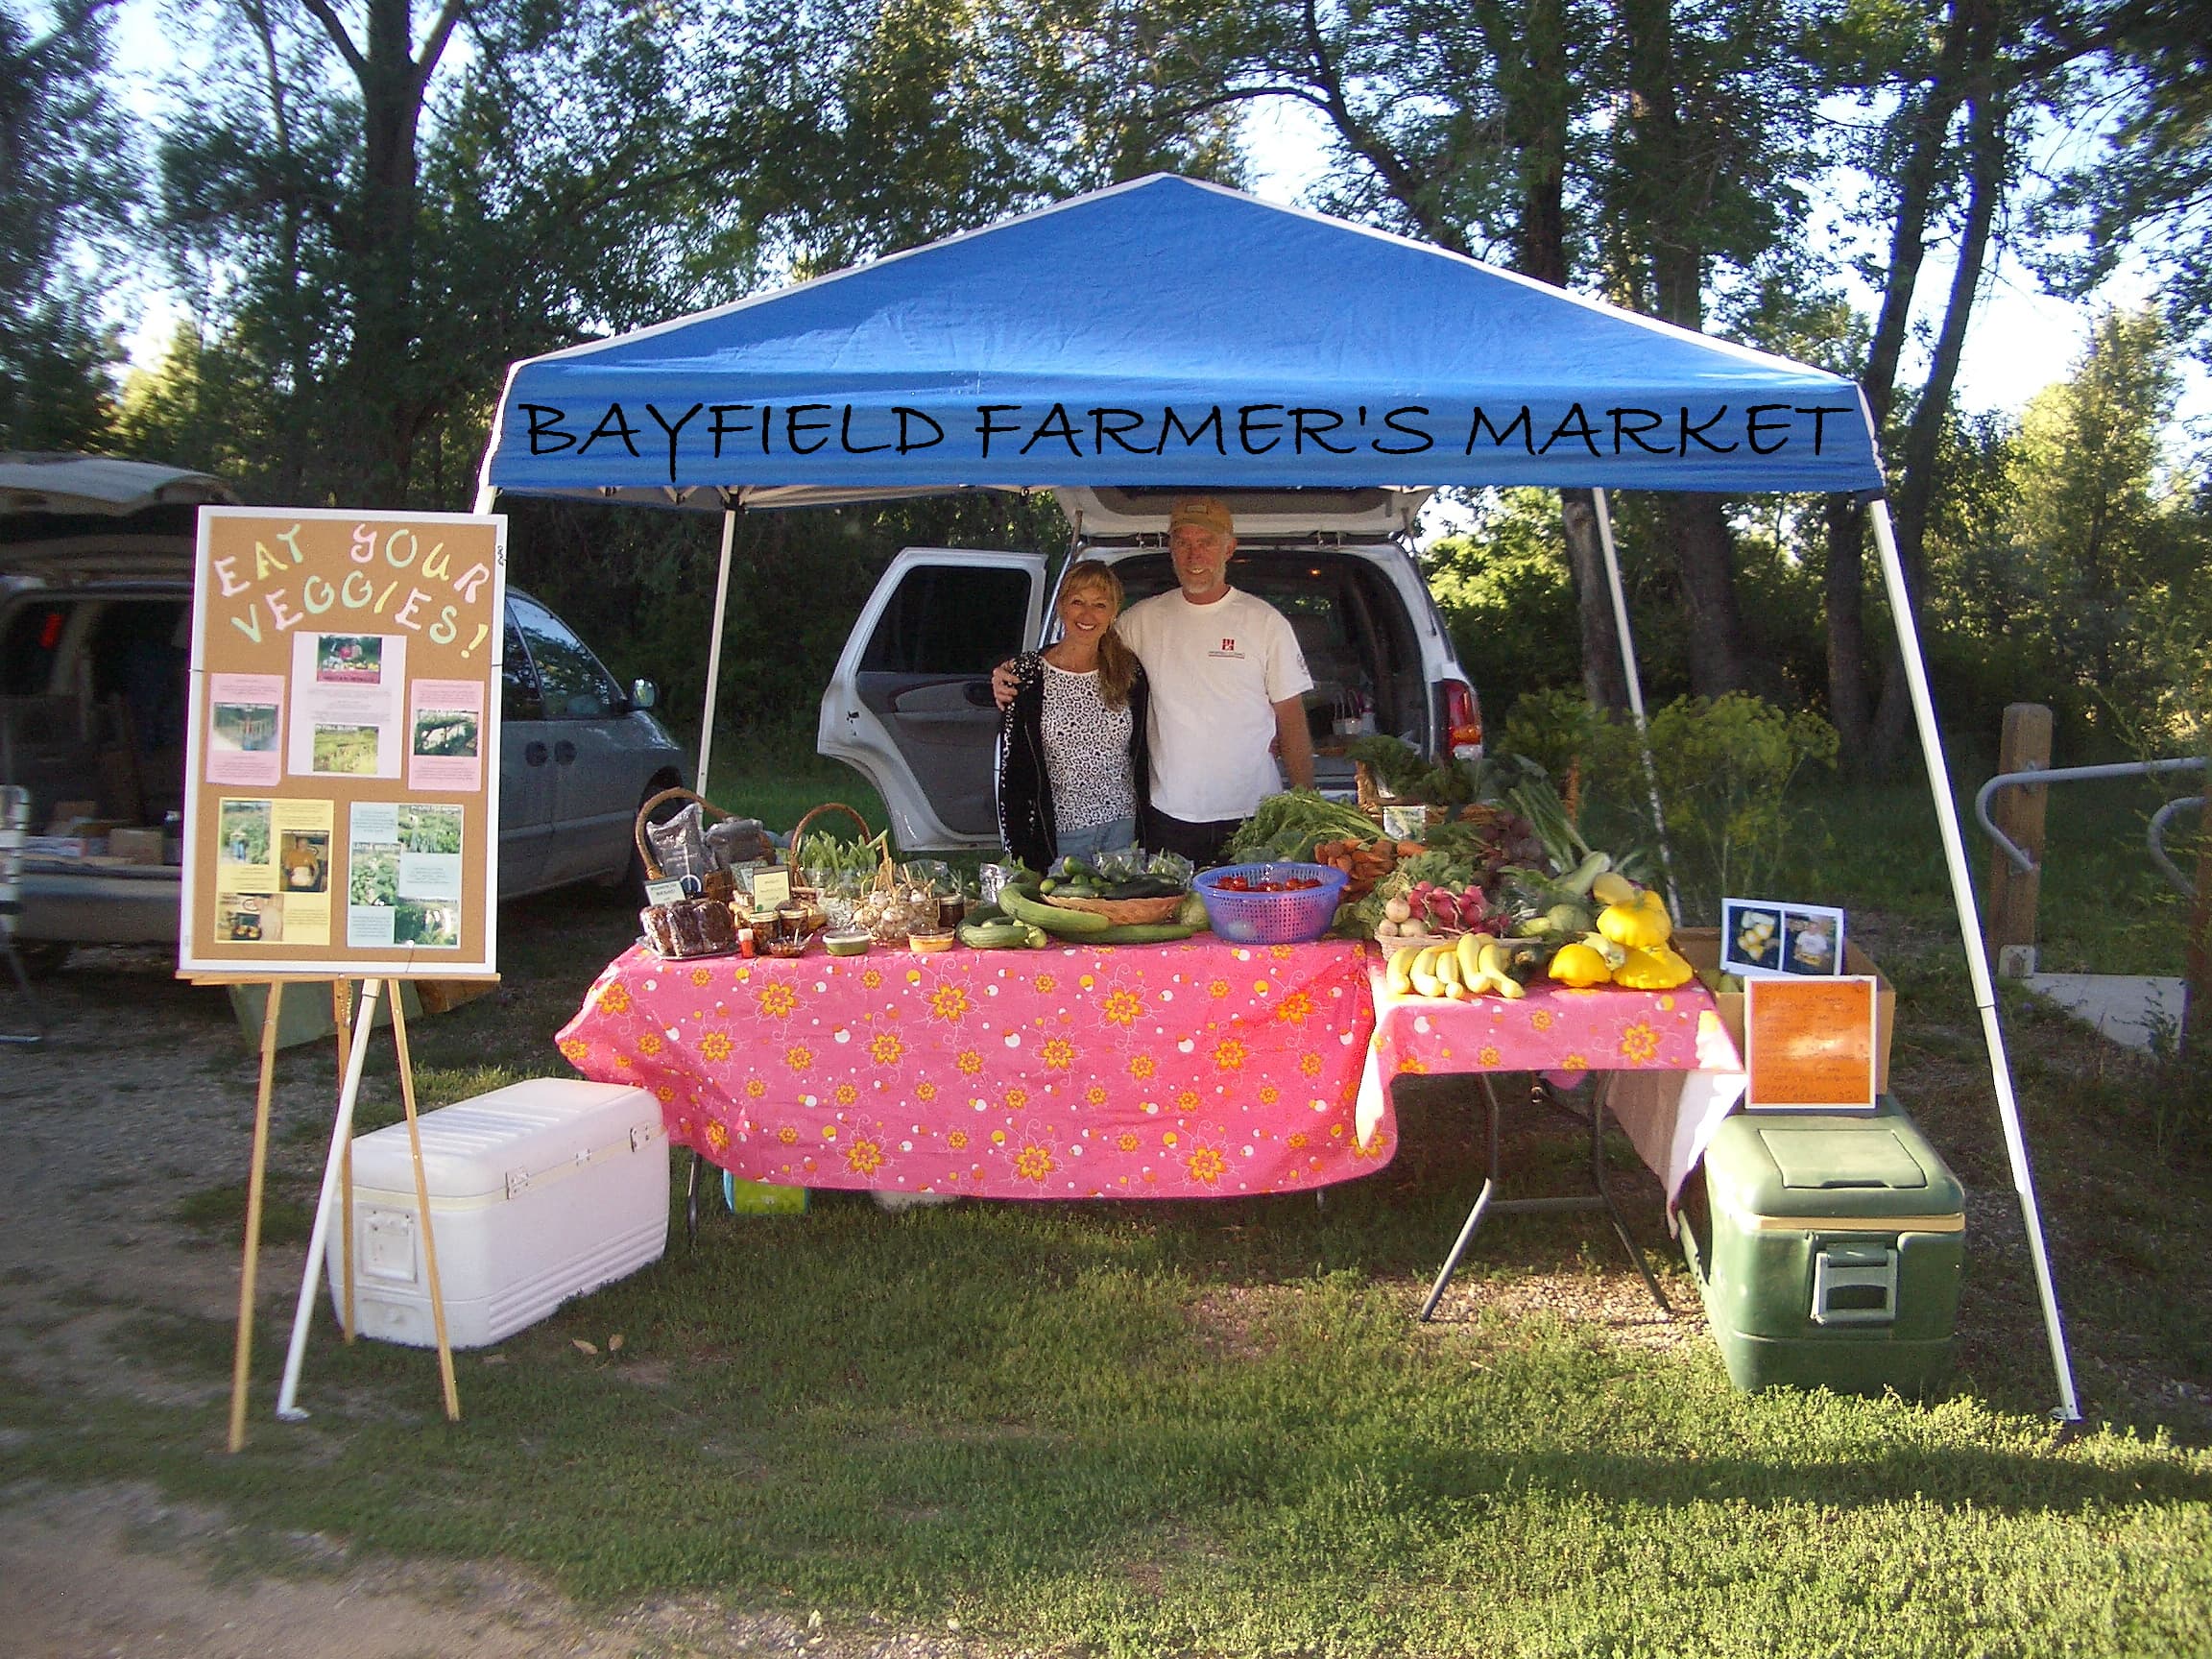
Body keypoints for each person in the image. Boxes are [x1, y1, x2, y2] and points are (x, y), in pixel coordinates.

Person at [1001, 495, 1313, 867]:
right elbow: (1084, 639)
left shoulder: (1266, 622)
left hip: (1254, 812)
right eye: (1183, 542)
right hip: (1168, 818)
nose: (1194, 555)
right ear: (1171, 548)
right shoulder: (1142, 619)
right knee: (1174, 906)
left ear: (1229, 548)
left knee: (1252, 903)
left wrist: (1307, 806)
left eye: (1206, 542)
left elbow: (1292, 719)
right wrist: (1018, 672)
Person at [997, 560, 1151, 870]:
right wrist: (1019, 848)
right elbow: (1013, 770)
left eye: (1100, 605)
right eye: (1078, 602)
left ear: (1113, 612)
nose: (1087, 615)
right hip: (1059, 835)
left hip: (1122, 829)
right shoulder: (1027, 673)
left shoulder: (1129, 671)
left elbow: (1143, 751)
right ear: (1061, 606)